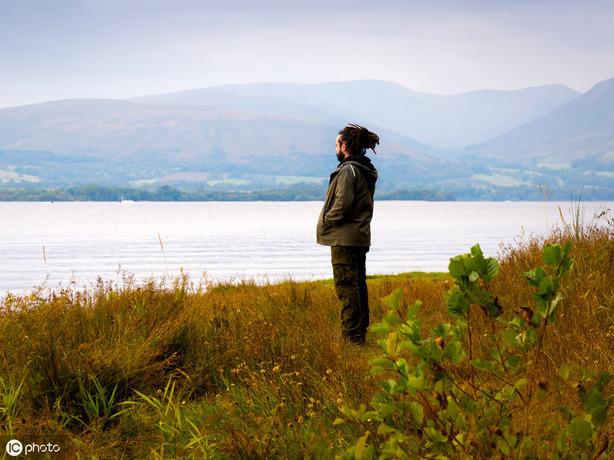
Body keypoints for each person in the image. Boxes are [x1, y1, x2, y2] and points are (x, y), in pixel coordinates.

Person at [316, 124, 379, 345]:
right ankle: (359, 333)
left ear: (345, 146)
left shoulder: (348, 170)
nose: (335, 148)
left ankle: (352, 338)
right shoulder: (363, 169)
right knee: (358, 285)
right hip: (358, 237)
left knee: (346, 287)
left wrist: (327, 220)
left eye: (336, 144)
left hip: (344, 238)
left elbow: (342, 204)